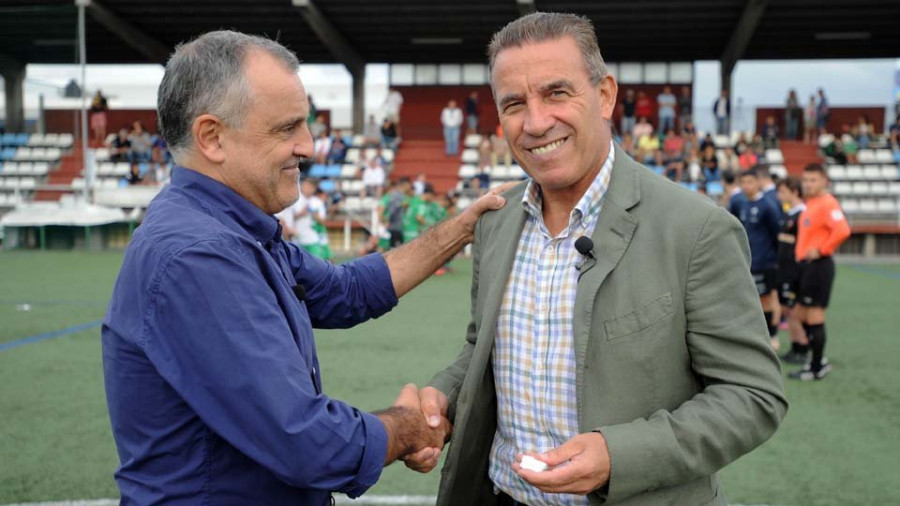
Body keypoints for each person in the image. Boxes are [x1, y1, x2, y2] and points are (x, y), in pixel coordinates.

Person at [102, 30, 511, 504]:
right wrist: (407, 428)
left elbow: (347, 290)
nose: (310, 146)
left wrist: (461, 229)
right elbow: (305, 441)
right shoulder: (199, 253)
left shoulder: (233, 229)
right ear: (212, 137)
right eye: (286, 128)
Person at [404, 13, 786, 506]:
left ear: (605, 95)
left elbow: (753, 397)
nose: (537, 122)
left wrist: (618, 456)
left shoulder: (695, 229)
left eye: (557, 93)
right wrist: (443, 398)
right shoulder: (496, 223)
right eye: (515, 103)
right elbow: (483, 349)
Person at [789, 163, 851, 381]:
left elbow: (843, 230)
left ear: (824, 181)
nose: (808, 184)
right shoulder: (812, 203)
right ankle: (817, 359)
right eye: (805, 180)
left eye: (813, 180)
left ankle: (816, 367)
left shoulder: (827, 202)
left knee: (814, 315)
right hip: (806, 266)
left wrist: (822, 249)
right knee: (799, 314)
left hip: (819, 266)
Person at [736, 168, 783, 350]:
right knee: (750, 299)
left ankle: (772, 335)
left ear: (758, 183)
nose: (746, 186)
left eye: (750, 182)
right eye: (743, 182)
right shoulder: (741, 204)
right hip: (748, 260)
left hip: (765, 262)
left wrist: (774, 258)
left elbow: (776, 234)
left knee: (768, 299)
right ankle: (756, 334)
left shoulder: (767, 206)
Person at [775, 176, 809, 364]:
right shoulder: (788, 213)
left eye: (783, 192)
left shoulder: (803, 214)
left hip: (796, 270)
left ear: (794, 192)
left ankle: (803, 348)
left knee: (795, 310)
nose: (779, 196)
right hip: (785, 269)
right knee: (788, 310)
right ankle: (796, 346)